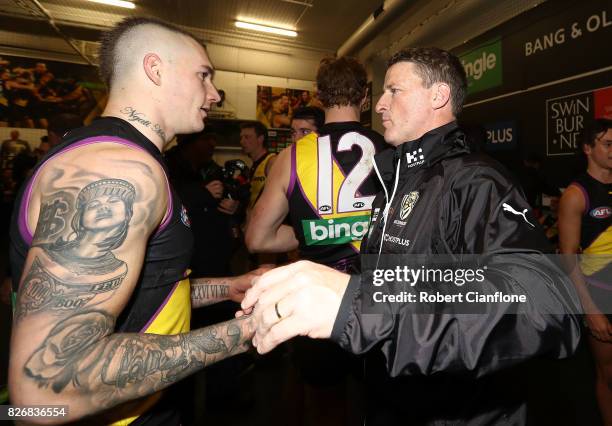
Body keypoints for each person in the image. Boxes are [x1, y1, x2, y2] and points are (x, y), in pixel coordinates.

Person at [242, 47, 581, 425]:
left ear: (438, 96)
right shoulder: (396, 179)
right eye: (381, 93)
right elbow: (403, 275)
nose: (381, 105)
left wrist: (361, 305)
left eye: (394, 91)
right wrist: (311, 285)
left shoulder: (476, 181)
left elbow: (547, 306)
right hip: (394, 400)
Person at [8, 17, 262, 425]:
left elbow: (142, 286)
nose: (214, 95)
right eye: (204, 76)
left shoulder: (121, 158)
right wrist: (249, 331)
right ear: (155, 69)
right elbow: (40, 389)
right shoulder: (116, 169)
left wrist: (229, 288)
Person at [558, 118, 612, 425]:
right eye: (607, 143)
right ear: (588, 149)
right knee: (608, 376)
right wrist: (590, 310)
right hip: (601, 299)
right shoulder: (577, 195)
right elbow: (567, 259)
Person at [240, 121, 276, 211]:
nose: (242, 141)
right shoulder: (253, 166)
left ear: (260, 139)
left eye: (247, 137)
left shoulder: (271, 161)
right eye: (241, 137)